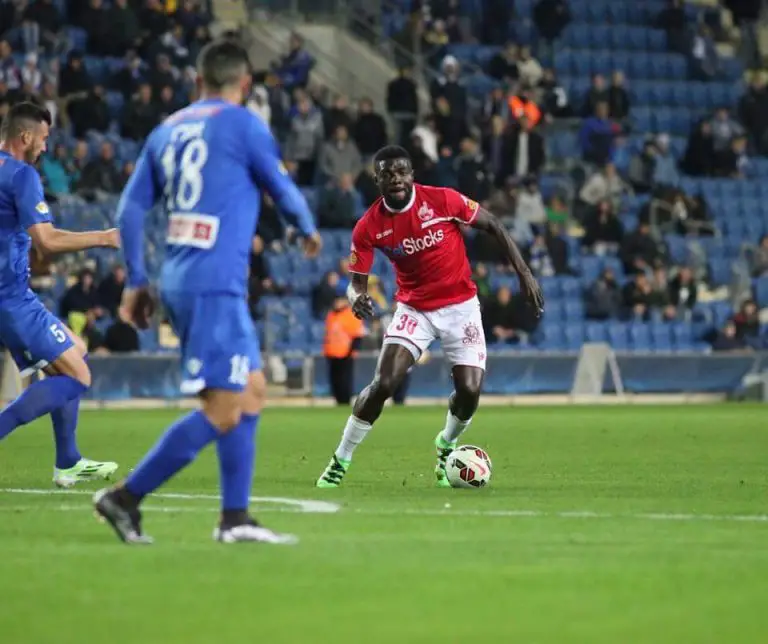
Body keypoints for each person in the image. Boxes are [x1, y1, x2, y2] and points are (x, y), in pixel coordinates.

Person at [94, 39, 321, 545]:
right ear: (246, 84)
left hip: (181, 275)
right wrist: (306, 227)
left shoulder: (166, 130)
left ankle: (235, 519)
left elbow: (130, 209)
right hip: (214, 283)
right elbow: (282, 189)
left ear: (198, 81)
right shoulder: (243, 124)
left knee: (252, 389)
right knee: (222, 408)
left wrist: (137, 278)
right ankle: (125, 498)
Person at [316, 145, 543, 488]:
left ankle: (446, 443)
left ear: (412, 175)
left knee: (469, 391)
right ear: (376, 180)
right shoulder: (368, 227)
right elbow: (356, 284)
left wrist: (524, 274)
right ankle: (340, 459)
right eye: (387, 174)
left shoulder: (442, 200)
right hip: (415, 310)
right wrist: (357, 298)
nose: (396, 178)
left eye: (401, 171)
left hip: (461, 307)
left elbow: (494, 224)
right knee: (384, 384)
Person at [0, 102, 119, 486]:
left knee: (75, 350)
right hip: (11, 298)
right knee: (79, 376)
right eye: (44, 138)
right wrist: (104, 237)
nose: (46, 147)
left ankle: (68, 461)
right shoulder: (21, 175)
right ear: (25, 137)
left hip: (10, 296)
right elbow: (47, 241)